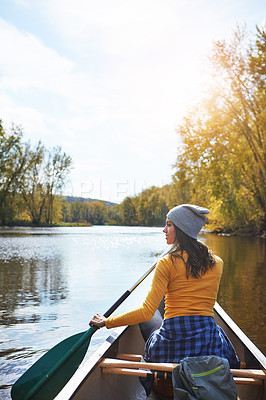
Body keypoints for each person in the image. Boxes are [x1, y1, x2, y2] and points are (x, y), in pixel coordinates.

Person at [90, 204, 240, 379]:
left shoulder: (166, 263)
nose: (164, 230)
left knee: (151, 316)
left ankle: (163, 380)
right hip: (207, 342)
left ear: (182, 229)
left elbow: (146, 312)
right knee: (211, 327)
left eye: (169, 224)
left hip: (172, 345)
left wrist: (107, 322)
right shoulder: (217, 263)